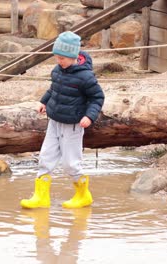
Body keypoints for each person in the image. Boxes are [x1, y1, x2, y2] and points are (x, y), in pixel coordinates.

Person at [20, 31, 105, 209]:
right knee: (45, 157)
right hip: (54, 121)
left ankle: (83, 195)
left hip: (73, 125)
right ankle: (41, 197)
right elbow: (54, 89)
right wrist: (44, 101)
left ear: (73, 56)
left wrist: (89, 116)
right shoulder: (58, 70)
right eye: (57, 58)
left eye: (62, 58)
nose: (59, 61)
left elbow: (97, 98)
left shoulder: (85, 76)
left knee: (70, 164)